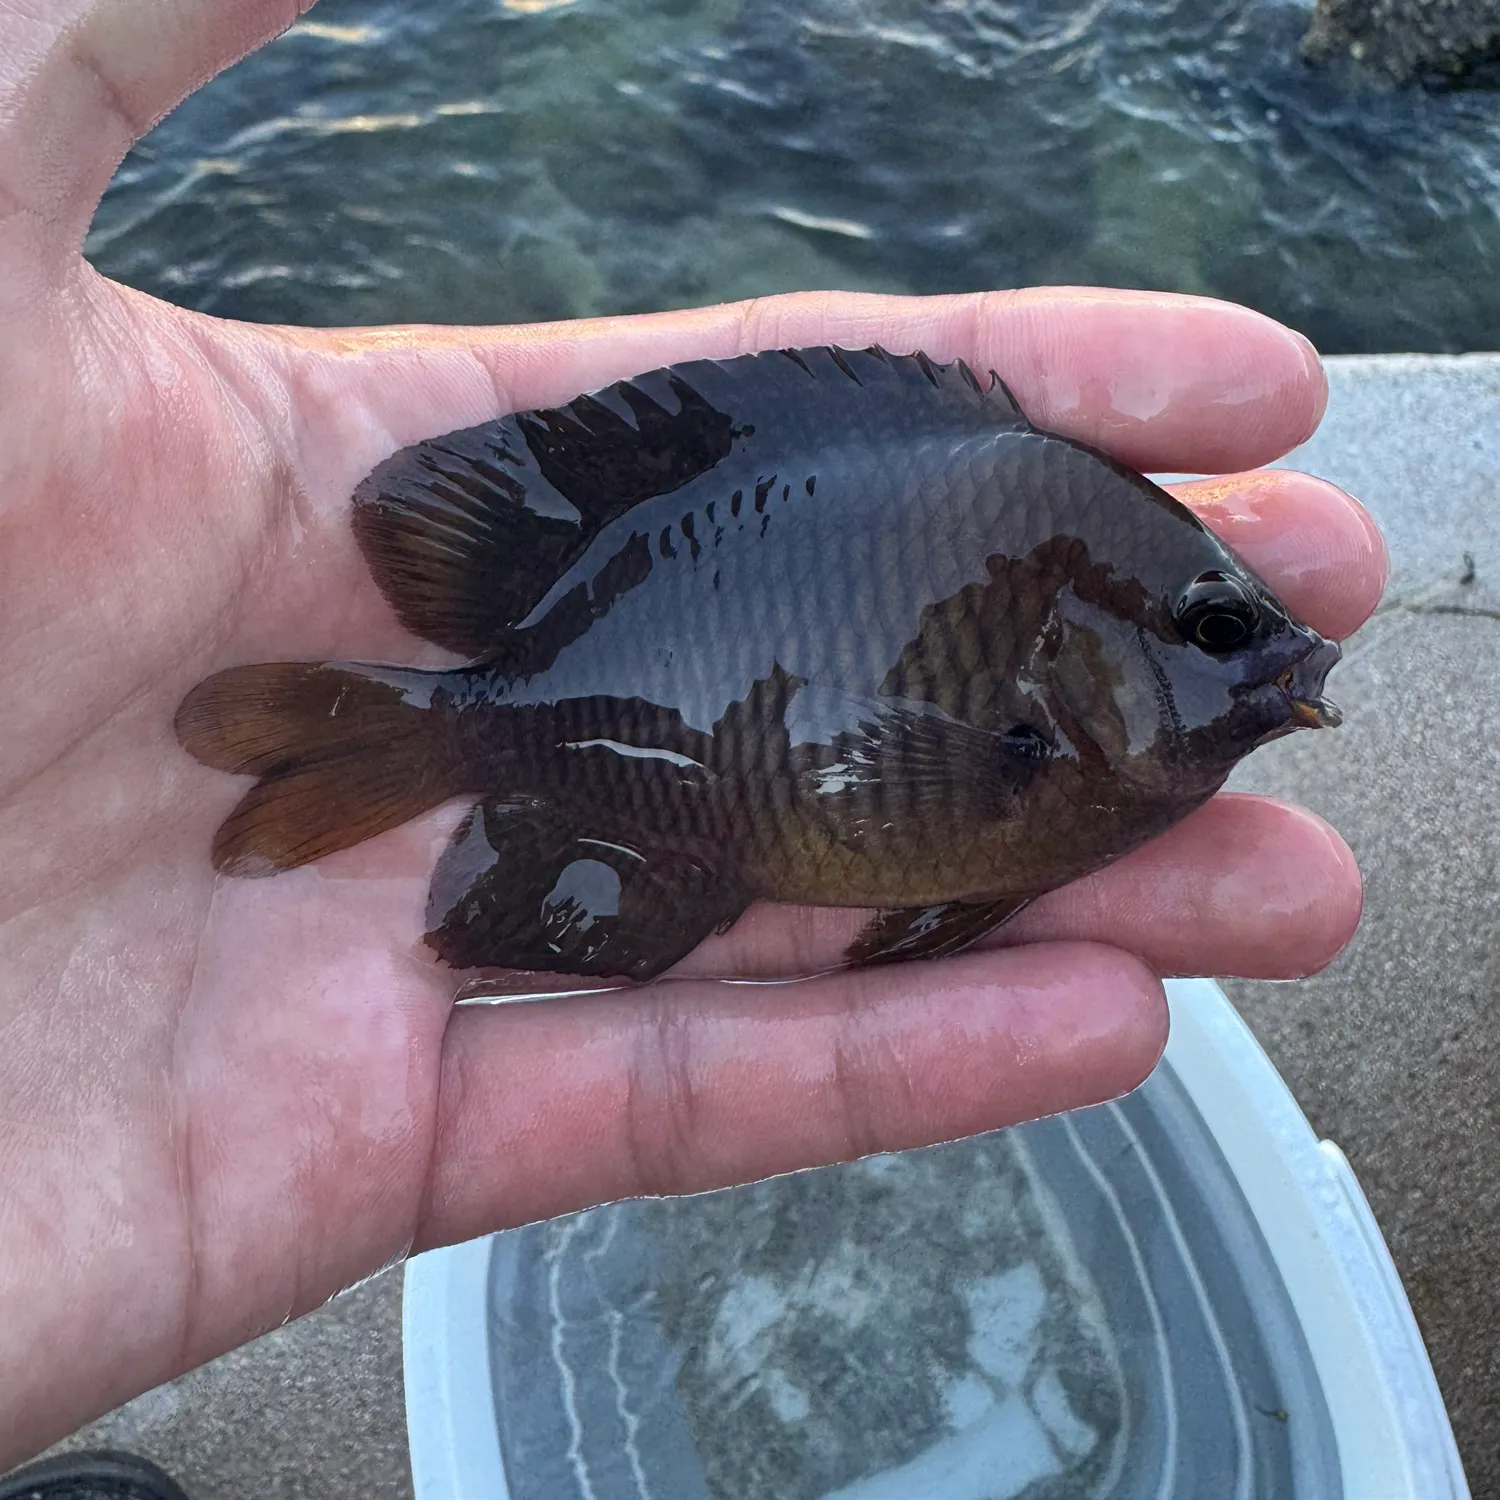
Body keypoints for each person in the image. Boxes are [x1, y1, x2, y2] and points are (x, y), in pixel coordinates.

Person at [0, 0, 1385, 1493]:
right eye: (1213, 626)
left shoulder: (1075, 723)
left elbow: (920, 836)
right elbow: (920, 823)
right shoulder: (1062, 732)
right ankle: (438, 737)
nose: (1263, 651)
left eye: (1224, 626)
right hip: (625, 737)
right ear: (1076, 661)